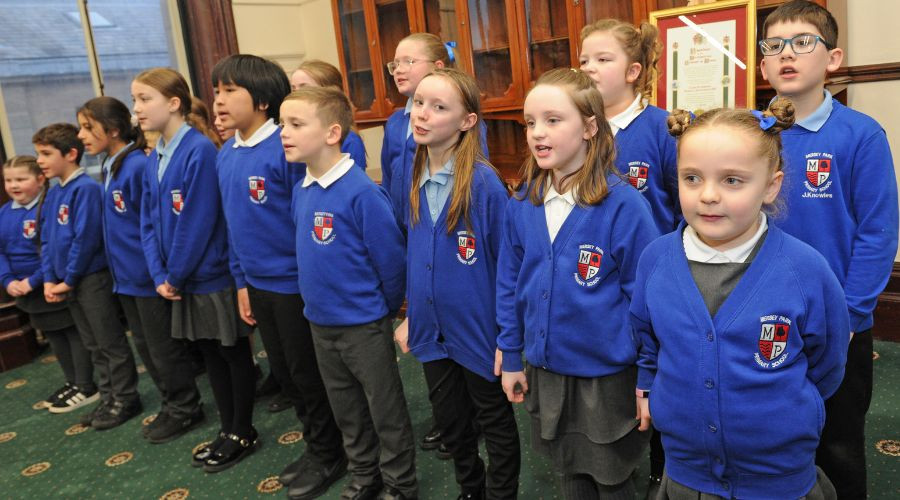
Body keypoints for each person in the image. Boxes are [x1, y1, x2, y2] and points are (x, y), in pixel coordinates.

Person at [631, 99, 848, 499]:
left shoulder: (806, 270)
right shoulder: (655, 260)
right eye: (691, 178)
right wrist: (650, 388)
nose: (708, 195)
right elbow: (648, 339)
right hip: (686, 472)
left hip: (778, 477)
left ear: (771, 185)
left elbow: (827, 363)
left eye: (732, 180)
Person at [495, 68, 658, 499]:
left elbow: (647, 302)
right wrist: (511, 353)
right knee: (568, 468)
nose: (537, 133)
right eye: (530, 122)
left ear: (589, 127)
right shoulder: (523, 201)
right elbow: (510, 283)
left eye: (553, 120)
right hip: (546, 370)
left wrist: (647, 376)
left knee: (611, 476)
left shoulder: (624, 206)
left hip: (605, 377)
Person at [758, 2, 899, 498]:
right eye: (773, 47)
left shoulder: (859, 135)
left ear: (833, 58)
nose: (786, 55)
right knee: (771, 433)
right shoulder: (751, 134)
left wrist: (850, 313)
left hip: (837, 319)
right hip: (764, 313)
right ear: (763, 66)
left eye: (801, 43)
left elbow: (877, 234)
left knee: (837, 444)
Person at [213, 54, 346, 498]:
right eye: (217, 90)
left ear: (264, 100)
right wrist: (241, 282)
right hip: (258, 284)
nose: (220, 100)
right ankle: (316, 446)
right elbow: (233, 226)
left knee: (308, 376)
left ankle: (331, 453)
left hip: (294, 285)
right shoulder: (226, 153)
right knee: (287, 377)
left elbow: (305, 223)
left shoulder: (285, 151)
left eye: (231, 91)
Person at [284, 86, 416, 499]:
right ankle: (364, 474)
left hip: (363, 325)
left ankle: (399, 483)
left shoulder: (361, 192)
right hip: (321, 323)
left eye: (295, 124)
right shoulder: (302, 189)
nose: (283, 133)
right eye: (283, 124)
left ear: (331, 133)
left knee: (385, 409)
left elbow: (392, 264)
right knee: (347, 410)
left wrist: (381, 311)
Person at [393, 68, 519, 499]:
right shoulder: (408, 173)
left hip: (479, 332)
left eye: (438, 107)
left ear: (467, 121)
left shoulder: (484, 185)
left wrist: (508, 337)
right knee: (451, 425)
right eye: (419, 102)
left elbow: (508, 269)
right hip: (431, 328)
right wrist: (412, 315)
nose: (422, 114)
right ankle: (472, 490)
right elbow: (414, 253)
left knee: (495, 422)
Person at [133, 67, 256, 472]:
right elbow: (148, 220)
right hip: (177, 277)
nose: (137, 109)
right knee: (208, 353)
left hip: (209, 275)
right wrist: (158, 274)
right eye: (134, 100)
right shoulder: (156, 156)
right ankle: (227, 428)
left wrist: (175, 274)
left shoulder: (199, 150)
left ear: (173, 103)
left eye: (145, 99)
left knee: (230, 352)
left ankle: (242, 429)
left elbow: (198, 222)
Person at [77, 96, 203, 443]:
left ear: (113, 129)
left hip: (147, 277)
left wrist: (157, 271)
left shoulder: (134, 165)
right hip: (127, 279)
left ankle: (185, 406)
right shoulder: (110, 165)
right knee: (147, 349)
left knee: (164, 349)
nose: (81, 135)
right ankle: (170, 403)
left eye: (88, 127)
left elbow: (150, 222)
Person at [35, 123, 141, 429]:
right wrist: (49, 279)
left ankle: (125, 397)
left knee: (109, 341)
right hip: (68, 282)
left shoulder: (87, 190)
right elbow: (47, 240)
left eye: (46, 154)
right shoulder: (55, 193)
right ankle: (108, 397)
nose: (39, 161)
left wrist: (67, 278)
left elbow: (85, 239)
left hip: (90, 278)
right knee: (92, 343)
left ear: (70, 154)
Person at [0, 155, 96, 413]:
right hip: (23, 290)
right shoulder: (4, 213)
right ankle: (72, 381)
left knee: (71, 333)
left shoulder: (47, 206)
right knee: (53, 335)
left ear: (40, 179)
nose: (14, 185)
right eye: (9, 180)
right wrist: (8, 281)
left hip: (48, 283)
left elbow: (50, 249)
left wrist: (35, 280)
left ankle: (86, 384)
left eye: (21, 179)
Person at [580, 18, 679, 235]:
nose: (589, 69)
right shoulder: (576, 129)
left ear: (632, 72)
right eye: (584, 61)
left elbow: (684, 207)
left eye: (603, 59)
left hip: (650, 259)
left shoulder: (664, 129)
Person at [290, 59, 367, 169]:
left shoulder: (349, 141)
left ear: (329, 92)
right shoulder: (292, 136)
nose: (297, 95)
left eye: (305, 88)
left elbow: (353, 183)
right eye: (293, 89)